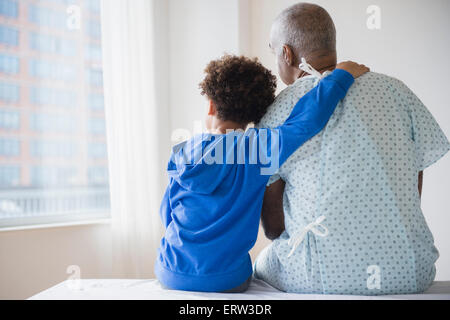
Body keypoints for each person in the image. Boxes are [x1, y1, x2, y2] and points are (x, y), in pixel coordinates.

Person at [254, 3, 450, 295]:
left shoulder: (277, 111)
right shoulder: (397, 91)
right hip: (410, 271)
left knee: (259, 264)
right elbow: (413, 183)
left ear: (287, 53)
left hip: (315, 276)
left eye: (274, 52)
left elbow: (273, 227)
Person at [154, 54, 368, 292]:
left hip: (170, 272)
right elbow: (304, 122)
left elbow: (167, 213)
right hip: (228, 280)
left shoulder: (183, 151)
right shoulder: (256, 149)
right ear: (255, 115)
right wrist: (340, 77)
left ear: (211, 105)